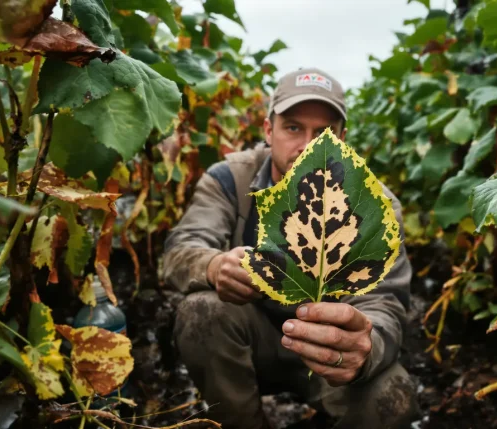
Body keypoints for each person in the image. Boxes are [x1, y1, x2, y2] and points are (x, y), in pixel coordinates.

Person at [164, 67, 418, 429]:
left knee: (394, 395)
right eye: (294, 127)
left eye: (324, 133)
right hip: (252, 342)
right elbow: (181, 248)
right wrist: (215, 266)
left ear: (342, 138)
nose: (308, 145)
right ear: (269, 131)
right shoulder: (229, 179)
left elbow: (387, 302)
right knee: (200, 310)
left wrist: (365, 349)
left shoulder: (374, 205)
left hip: (329, 357)